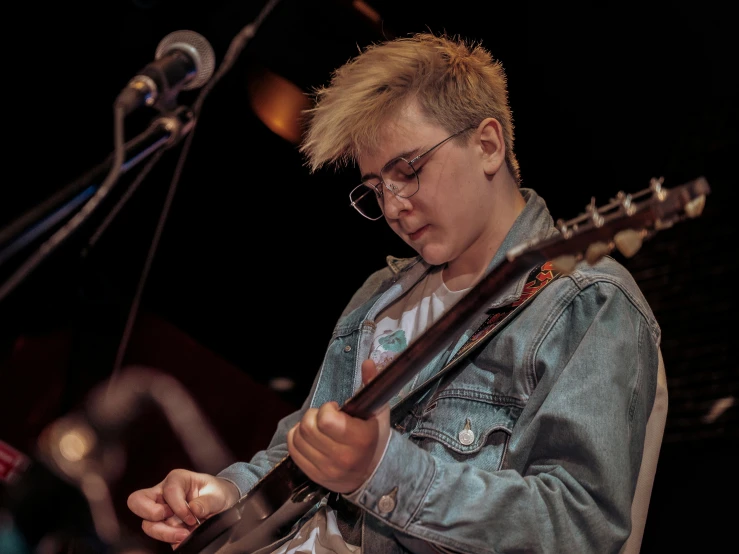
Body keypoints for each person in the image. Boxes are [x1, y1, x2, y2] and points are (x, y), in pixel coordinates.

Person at [127, 32, 666, 553]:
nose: (392, 206)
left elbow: (579, 527)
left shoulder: (586, 301)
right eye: (376, 187)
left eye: (407, 171)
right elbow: (299, 448)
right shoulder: (378, 296)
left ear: (487, 145)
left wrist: (384, 471)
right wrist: (230, 495)